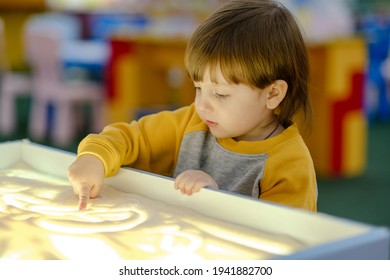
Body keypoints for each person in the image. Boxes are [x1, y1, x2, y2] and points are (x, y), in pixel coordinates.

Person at [68, 0, 317, 212]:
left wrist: (217, 201)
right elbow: (131, 137)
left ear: (272, 93)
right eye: (199, 88)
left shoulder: (290, 164)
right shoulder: (192, 122)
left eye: (220, 94)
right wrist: (95, 157)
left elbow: (286, 244)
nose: (202, 105)